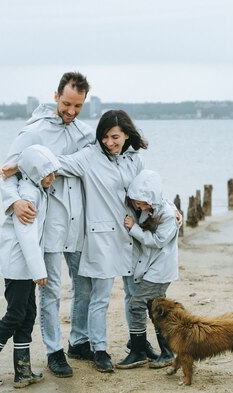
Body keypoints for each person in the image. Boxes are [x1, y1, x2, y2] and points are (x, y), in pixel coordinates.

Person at [0, 72, 95, 378]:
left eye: (78, 106)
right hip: (49, 223)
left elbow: (99, 168)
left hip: (79, 221)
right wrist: (14, 202)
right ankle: (54, 351)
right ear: (56, 96)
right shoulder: (33, 131)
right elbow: (4, 174)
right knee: (51, 289)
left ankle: (79, 340)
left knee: (85, 285)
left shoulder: (86, 133)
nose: (71, 111)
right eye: (67, 103)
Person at [54, 109, 148, 372]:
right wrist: (21, 162)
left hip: (132, 235)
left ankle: (138, 342)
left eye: (115, 137)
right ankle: (100, 349)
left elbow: (148, 194)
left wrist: (170, 211)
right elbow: (57, 163)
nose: (109, 142)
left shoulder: (135, 160)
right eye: (105, 136)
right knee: (100, 297)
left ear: (127, 134)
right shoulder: (89, 157)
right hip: (102, 237)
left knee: (134, 294)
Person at [0, 144, 61, 388]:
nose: (52, 178)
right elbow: (26, 236)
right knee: (15, 314)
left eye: (53, 172)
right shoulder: (28, 196)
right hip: (18, 266)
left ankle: (22, 370)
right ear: (34, 172)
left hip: (26, 267)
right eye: (48, 173)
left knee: (28, 314)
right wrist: (39, 271)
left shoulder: (35, 187)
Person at [114, 169, 178, 369]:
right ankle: (164, 352)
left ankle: (140, 350)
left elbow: (157, 242)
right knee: (155, 309)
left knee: (137, 305)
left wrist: (133, 228)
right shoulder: (152, 208)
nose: (138, 206)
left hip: (160, 271)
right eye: (136, 202)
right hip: (152, 268)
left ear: (152, 198)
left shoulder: (167, 214)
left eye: (142, 203)